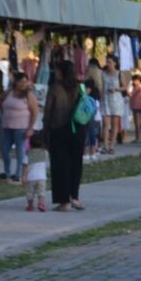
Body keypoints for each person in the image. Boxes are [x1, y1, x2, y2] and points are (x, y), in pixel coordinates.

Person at [44, 59, 87, 212]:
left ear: (61, 72)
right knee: (76, 163)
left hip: (59, 129)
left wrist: (45, 132)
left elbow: (48, 111)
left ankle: (64, 201)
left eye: (56, 70)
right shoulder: (79, 87)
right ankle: (74, 196)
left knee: (60, 165)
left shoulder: (55, 88)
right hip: (77, 129)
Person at [0, 71, 38, 182]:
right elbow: (0, 102)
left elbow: (35, 112)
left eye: (25, 81)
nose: (23, 84)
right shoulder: (9, 92)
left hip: (22, 128)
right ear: (15, 82)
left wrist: (30, 128)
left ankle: (18, 174)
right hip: (7, 126)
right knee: (4, 151)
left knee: (20, 152)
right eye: (20, 81)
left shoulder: (29, 95)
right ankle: (7, 172)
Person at [100, 54, 125, 155]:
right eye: (107, 61)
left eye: (110, 62)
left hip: (116, 100)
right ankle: (105, 145)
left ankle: (112, 146)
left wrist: (116, 89)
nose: (108, 64)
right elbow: (100, 85)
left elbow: (124, 87)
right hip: (105, 100)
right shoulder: (103, 73)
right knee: (106, 125)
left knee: (115, 125)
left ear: (115, 63)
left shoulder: (119, 74)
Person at [23, 139, 49, 212]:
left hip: (31, 177)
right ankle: (41, 203)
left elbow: (25, 165)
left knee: (30, 192)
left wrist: (24, 176)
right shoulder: (45, 152)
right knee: (41, 192)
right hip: (42, 177)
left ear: (30, 144)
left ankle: (30, 205)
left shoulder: (28, 154)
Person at [128, 73, 141, 144]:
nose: (134, 82)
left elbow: (131, 94)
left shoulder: (139, 87)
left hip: (138, 106)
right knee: (138, 122)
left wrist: (128, 92)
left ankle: (139, 138)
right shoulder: (138, 87)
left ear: (138, 80)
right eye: (133, 80)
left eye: (135, 80)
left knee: (138, 123)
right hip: (136, 105)